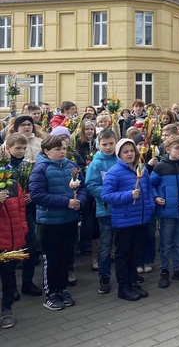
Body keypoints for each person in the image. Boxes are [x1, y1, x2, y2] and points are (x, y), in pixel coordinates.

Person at [29, 135, 86, 311]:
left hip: (69, 219)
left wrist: (80, 202)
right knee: (52, 258)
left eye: (63, 148)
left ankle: (62, 289)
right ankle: (50, 293)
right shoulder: (41, 169)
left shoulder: (72, 166)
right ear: (47, 151)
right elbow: (37, 195)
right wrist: (66, 202)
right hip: (50, 221)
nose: (62, 152)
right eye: (57, 149)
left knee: (66, 256)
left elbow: (82, 187)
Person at [101, 138, 155, 301]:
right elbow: (106, 195)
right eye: (125, 152)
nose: (130, 154)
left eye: (132, 150)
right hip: (124, 220)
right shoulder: (114, 172)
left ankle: (133, 282)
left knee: (135, 253)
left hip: (140, 218)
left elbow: (149, 190)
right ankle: (123, 287)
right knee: (123, 254)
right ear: (119, 154)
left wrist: (150, 207)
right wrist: (128, 195)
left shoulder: (141, 169)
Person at [150, 136, 179, 288]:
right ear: (168, 150)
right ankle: (164, 270)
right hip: (166, 212)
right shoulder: (161, 167)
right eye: (178, 148)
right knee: (166, 242)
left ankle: (178, 268)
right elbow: (150, 185)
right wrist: (156, 197)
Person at [5, 134, 42, 298]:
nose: (21, 151)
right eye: (17, 148)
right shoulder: (3, 167)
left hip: (25, 213)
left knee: (31, 249)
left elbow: (35, 187)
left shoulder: (28, 166)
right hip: (7, 215)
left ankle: (27, 282)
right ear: (8, 148)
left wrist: (30, 196)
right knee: (10, 252)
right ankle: (10, 287)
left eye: (24, 148)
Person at [85, 129, 119, 295]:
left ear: (116, 142)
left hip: (123, 209)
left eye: (111, 143)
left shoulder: (121, 158)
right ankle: (104, 276)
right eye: (104, 144)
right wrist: (110, 195)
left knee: (122, 244)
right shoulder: (96, 163)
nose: (108, 147)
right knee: (105, 245)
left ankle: (123, 273)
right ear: (99, 145)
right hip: (106, 210)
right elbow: (91, 185)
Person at [0, 150, 28, 329]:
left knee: (9, 276)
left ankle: (6, 309)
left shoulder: (12, 184)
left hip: (10, 241)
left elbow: (20, 208)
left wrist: (23, 228)